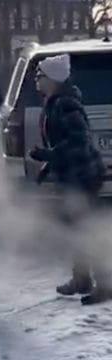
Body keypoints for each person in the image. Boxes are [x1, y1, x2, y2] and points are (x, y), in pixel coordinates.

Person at [28, 53, 110, 304]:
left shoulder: (64, 104)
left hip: (83, 177)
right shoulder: (56, 101)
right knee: (76, 230)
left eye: (39, 76)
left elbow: (78, 141)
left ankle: (105, 285)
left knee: (86, 231)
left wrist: (47, 155)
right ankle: (81, 279)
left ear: (51, 79)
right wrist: (47, 168)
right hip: (74, 175)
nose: (36, 81)